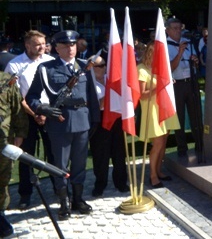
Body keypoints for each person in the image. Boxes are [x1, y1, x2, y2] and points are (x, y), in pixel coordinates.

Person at [25, 30, 100, 220]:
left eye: (73, 45)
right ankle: (64, 203)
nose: (70, 49)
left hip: (82, 121)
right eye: (65, 46)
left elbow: (91, 95)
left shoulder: (84, 66)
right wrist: (43, 109)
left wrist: (94, 120)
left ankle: (78, 199)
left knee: (80, 164)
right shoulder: (46, 68)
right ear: (56, 48)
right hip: (60, 123)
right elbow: (31, 96)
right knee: (60, 166)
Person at [6, 30, 55, 210]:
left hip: (50, 114)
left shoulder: (50, 61)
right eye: (37, 44)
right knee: (26, 157)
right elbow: (17, 97)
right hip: (27, 116)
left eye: (43, 43)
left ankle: (59, 189)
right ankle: (25, 194)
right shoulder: (15, 65)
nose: (42, 47)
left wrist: (47, 112)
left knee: (54, 153)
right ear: (27, 45)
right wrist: (35, 114)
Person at [138, 43, 180, 188]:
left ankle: (159, 171)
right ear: (150, 53)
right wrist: (160, 85)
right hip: (152, 112)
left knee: (164, 142)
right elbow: (141, 96)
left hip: (164, 108)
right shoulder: (141, 70)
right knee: (157, 144)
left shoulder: (161, 69)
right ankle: (153, 175)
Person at [88, 55, 128, 197]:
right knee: (100, 155)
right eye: (100, 65)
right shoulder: (87, 83)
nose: (104, 67)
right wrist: (107, 97)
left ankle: (121, 182)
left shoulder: (110, 79)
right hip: (98, 121)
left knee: (119, 152)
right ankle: (100, 184)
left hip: (115, 119)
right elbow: (91, 105)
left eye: (105, 64)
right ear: (91, 67)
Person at [166, 17, 200, 158]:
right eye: (174, 28)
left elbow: (196, 65)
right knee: (179, 117)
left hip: (191, 82)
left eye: (180, 28)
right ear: (167, 30)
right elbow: (170, 68)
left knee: (196, 114)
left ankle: (199, 143)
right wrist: (180, 53)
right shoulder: (165, 46)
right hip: (177, 84)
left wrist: (195, 62)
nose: (178, 31)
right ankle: (181, 147)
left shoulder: (188, 43)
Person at [0, 71, 29, 237]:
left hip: (4, 141)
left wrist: (20, 133)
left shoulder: (6, 79)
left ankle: (1, 212)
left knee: (3, 178)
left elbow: (17, 109)